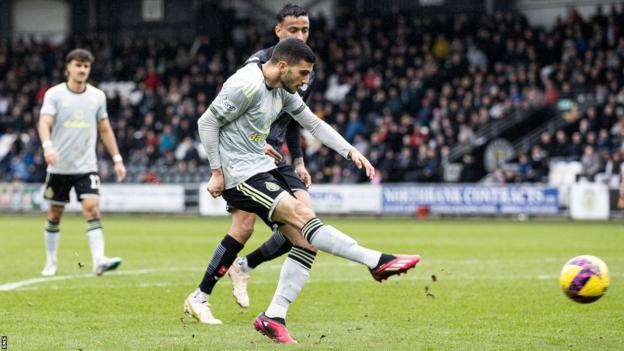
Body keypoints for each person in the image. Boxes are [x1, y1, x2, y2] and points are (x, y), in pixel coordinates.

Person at [189, 38, 420, 344]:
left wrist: (350, 152)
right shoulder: (245, 84)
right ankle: (375, 260)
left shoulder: (283, 90)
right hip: (240, 176)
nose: (306, 80)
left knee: (304, 242)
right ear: (282, 65)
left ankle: (273, 316)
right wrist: (217, 171)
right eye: (302, 73)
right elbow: (207, 122)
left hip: (261, 166)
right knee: (299, 215)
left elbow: (313, 124)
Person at [225, 3, 317, 310]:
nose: (301, 35)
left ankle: (245, 267)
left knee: (307, 224)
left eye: (305, 29)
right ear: (278, 31)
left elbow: (294, 119)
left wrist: (300, 161)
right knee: (243, 227)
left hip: (277, 158)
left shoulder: (305, 68)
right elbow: (228, 109)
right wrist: (253, 144)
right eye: (293, 30)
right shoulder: (258, 65)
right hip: (249, 157)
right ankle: (202, 295)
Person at [38, 48, 126, 276]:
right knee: (55, 214)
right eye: (78, 65)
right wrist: (47, 147)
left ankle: (98, 260)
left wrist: (117, 159)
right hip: (59, 166)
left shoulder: (97, 96)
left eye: (86, 66)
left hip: (86, 166)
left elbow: (105, 129)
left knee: (92, 209)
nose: (82, 70)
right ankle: (50, 261)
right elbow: (44, 122)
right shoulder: (55, 95)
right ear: (68, 68)